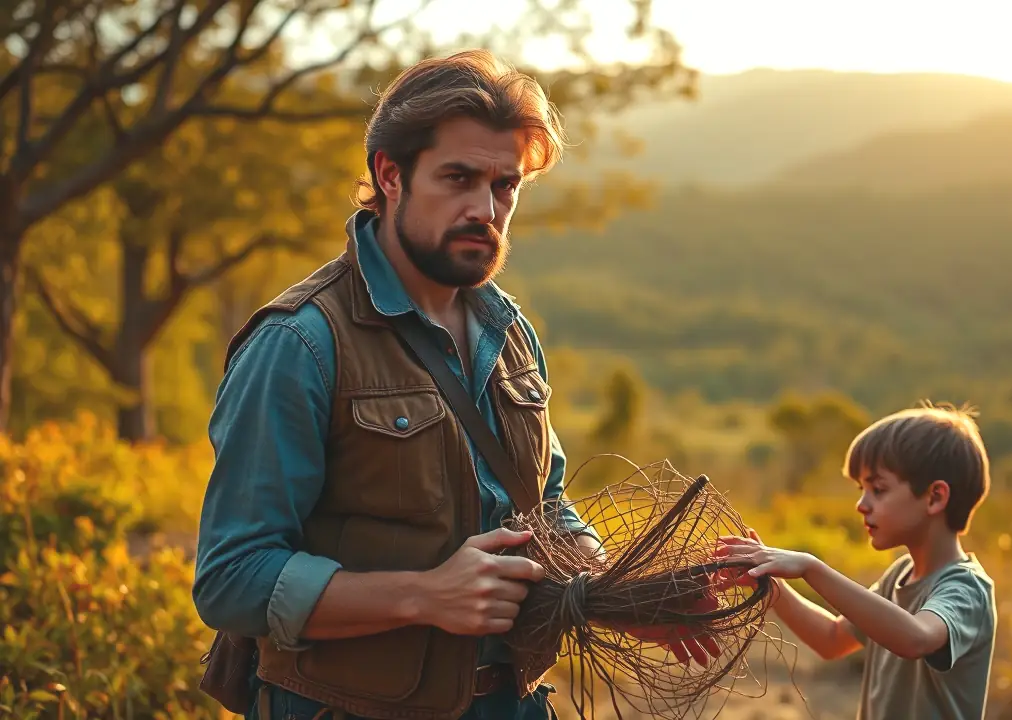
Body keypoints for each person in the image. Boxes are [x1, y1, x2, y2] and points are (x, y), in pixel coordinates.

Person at [192, 49, 715, 720]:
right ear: (391, 175)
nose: (486, 208)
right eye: (459, 178)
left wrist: (607, 592)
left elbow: (543, 505)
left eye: (505, 186)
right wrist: (424, 594)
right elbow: (232, 578)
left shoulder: (508, 331)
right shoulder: (300, 344)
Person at [716, 403, 997, 720]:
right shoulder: (899, 576)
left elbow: (917, 638)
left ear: (935, 497)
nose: (862, 505)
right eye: (862, 489)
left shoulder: (966, 588)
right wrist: (768, 582)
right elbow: (832, 640)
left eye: (878, 489)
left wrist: (811, 567)